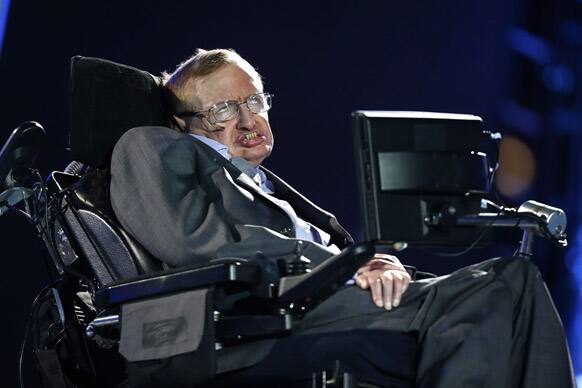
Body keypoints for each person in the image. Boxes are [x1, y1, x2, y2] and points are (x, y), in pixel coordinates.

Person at [109, 49, 575, 387]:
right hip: (258, 315)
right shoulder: (150, 145)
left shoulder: (258, 184)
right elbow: (194, 243)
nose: (249, 120)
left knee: (513, 280)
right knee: (492, 291)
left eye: (254, 101)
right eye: (224, 110)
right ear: (183, 123)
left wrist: (379, 264)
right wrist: (347, 264)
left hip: (325, 297)